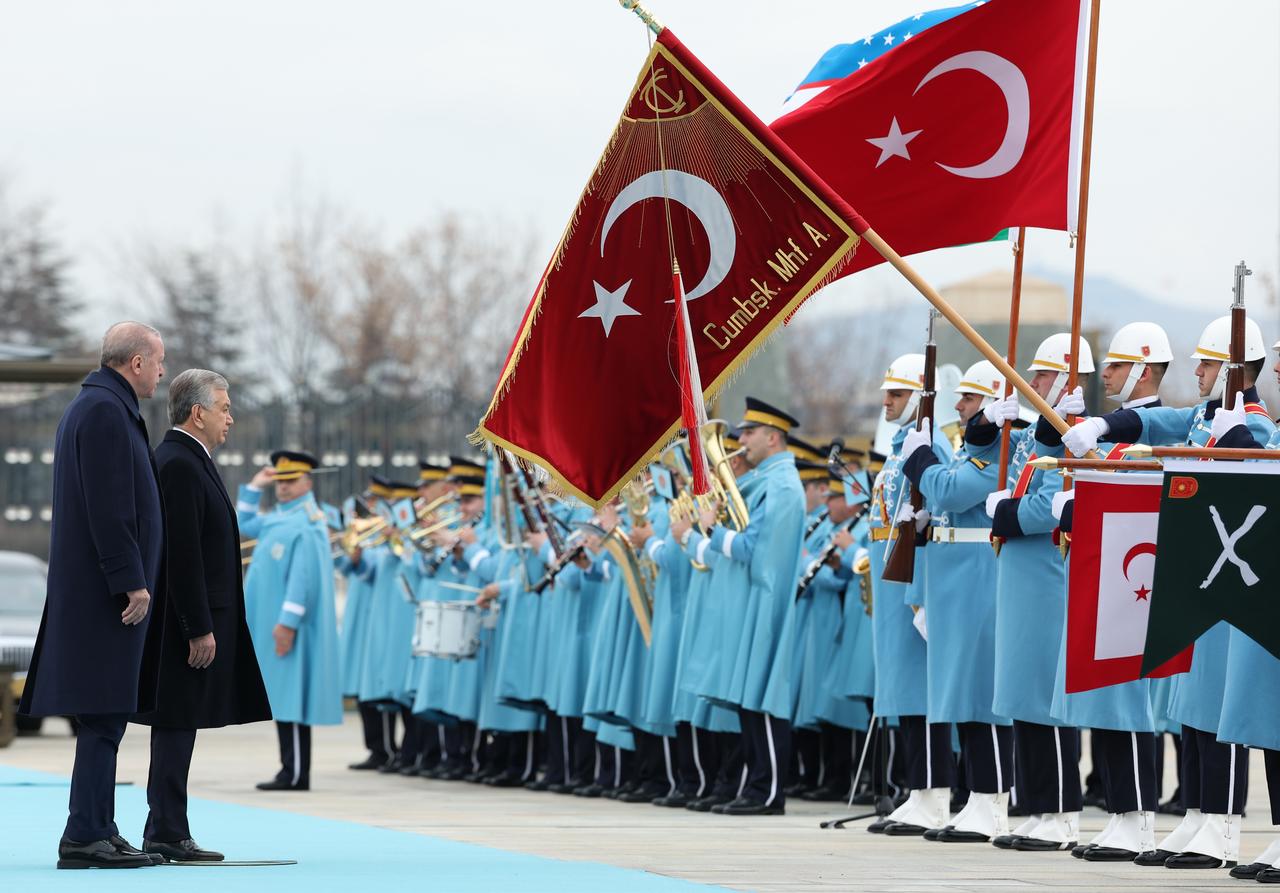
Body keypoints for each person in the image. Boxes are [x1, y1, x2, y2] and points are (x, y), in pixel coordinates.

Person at [1062, 315, 1275, 869]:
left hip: (1237, 578)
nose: (1197, 372)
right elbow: (1164, 422)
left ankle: (1225, 825)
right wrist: (1106, 429)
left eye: (1206, 363)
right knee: (1196, 702)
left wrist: (1241, 440)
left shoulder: (1257, 425)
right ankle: (1201, 813)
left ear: (1231, 368)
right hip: (1201, 573)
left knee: (1229, 703)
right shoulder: (1208, 416)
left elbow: (1261, 471)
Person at [19, 322, 168, 870]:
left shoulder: (102, 406)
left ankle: (99, 826)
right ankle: (84, 835)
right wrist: (129, 578)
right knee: (105, 714)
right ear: (134, 363)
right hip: (109, 597)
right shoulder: (105, 411)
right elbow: (109, 507)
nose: (161, 371)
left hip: (100, 593)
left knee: (109, 713)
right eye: (158, 361)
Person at [136, 369, 271, 862]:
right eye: (224, 408)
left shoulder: (192, 460)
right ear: (198, 413)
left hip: (194, 620)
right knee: (175, 724)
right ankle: (167, 832)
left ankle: (167, 827)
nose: (230, 417)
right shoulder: (178, 463)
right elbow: (182, 554)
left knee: (182, 724)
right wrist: (199, 627)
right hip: (184, 626)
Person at [672, 396, 806, 816]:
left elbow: (754, 548)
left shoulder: (781, 484)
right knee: (750, 698)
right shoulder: (768, 479)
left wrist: (708, 531)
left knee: (763, 698)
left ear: (772, 437)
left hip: (764, 598)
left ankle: (767, 793)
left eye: (749, 433)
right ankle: (753, 789)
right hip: (754, 596)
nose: (741, 440)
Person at [900, 359, 1014, 843]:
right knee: (962, 697)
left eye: (968, 399)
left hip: (977, 585)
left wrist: (921, 458)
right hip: (957, 587)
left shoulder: (996, 456)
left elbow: (951, 488)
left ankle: (991, 801)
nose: (959, 406)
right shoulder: (971, 455)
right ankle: (976, 798)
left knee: (980, 698)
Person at [864, 353, 955, 836]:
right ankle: (916, 790)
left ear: (921, 398)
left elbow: (933, 513)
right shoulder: (902, 446)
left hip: (911, 576)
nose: (887, 401)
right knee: (904, 690)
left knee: (922, 690)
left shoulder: (930, 446)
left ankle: (934, 793)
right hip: (891, 571)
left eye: (897, 394)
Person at [239, 451, 343, 790]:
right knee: (282, 697)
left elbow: (303, 580)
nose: (282, 488)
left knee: (292, 698)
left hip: (288, 627)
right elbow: (240, 524)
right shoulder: (280, 516)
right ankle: (289, 768)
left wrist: (288, 623)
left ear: (308, 481)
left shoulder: (308, 522)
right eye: (280, 481)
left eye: (291, 481)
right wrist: (255, 486)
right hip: (274, 624)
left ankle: (296, 772)